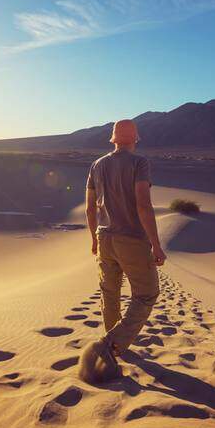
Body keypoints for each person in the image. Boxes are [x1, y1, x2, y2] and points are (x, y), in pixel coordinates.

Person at [82, 119, 166, 380]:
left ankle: (111, 355)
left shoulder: (97, 165)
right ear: (135, 139)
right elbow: (143, 204)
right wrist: (155, 243)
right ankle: (110, 345)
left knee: (110, 293)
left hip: (104, 237)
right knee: (147, 294)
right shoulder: (139, 163)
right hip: (131, 238)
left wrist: (94, 239)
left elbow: (90, 207)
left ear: (113, 139)